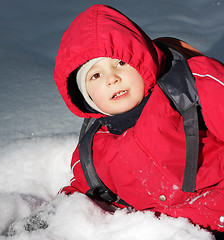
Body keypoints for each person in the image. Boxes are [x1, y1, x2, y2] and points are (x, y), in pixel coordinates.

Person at [54, 4, 224, 233]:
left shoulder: (193, 86)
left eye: (121, 63)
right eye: (96, 75)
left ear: (143, 62)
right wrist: (55, 218)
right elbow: (81, 195)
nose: (112, 78)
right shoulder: (93, 150)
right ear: (85, 96)